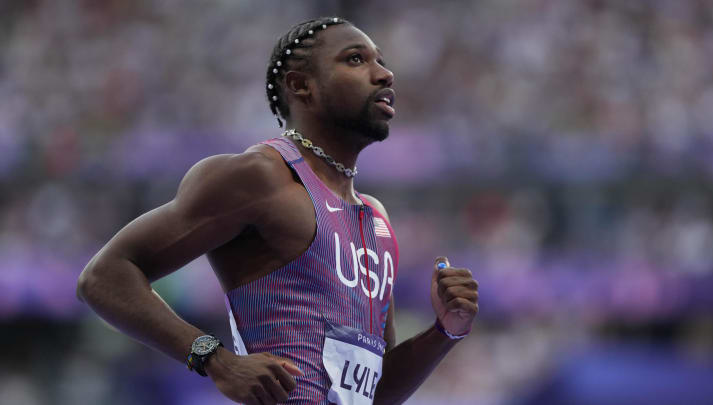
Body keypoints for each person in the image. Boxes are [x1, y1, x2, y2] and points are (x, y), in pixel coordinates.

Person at [77, 16, 479, 405]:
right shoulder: (261, 178)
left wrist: (444, 332)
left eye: (381, 61)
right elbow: (104, 276)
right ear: (302, 86)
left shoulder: (376, 221)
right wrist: (215, 359)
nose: (384, 74)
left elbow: (374, 392)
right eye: (356, 59)